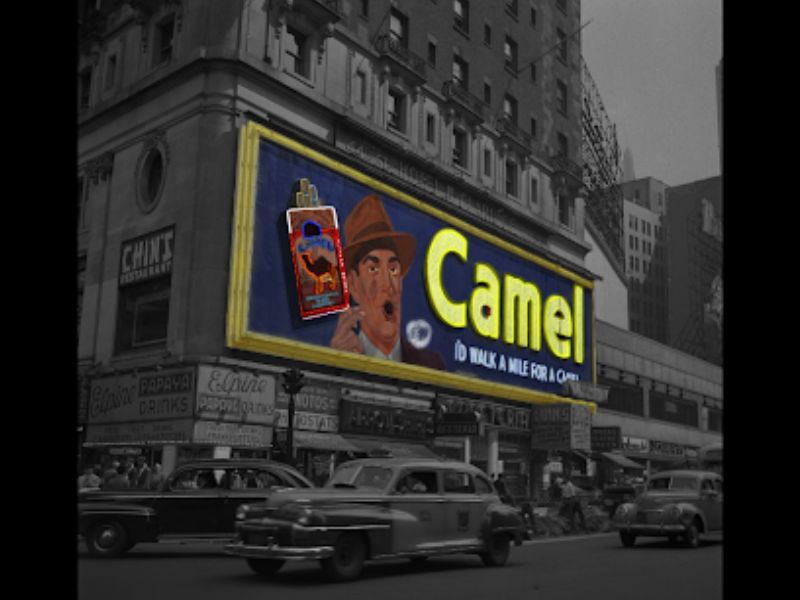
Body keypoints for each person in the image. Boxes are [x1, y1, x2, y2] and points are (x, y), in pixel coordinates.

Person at [330, 194, 445, 369]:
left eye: (393, 269)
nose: (387, 284)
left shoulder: (431, 364)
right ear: (353, 284)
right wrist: (333, 364)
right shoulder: (338, 353)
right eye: (373, 269)